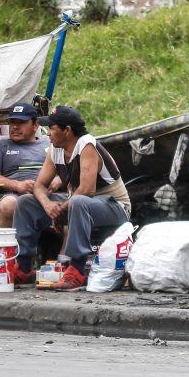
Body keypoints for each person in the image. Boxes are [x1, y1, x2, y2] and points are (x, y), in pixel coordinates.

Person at [13, 105, 131, 290]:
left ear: (67, 130)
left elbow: (87, 190)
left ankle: (77, 270)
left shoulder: (87, 145)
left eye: (52, 128)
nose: (48, 133)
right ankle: (23, 266)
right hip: (79, 205)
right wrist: (48, 205)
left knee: (78, 201)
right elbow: (39, 186)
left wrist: (61, 207)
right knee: (25, 202)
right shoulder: (55, 149)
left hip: (115, 208)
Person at [0, 103, 51, 227]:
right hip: (15, 195)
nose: (15, 127)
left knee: (74, 203)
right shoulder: (0, 146)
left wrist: (55, 182)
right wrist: (18, 185)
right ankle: (9, 246)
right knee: (8, 205)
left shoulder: (49, 145)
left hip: (49, 193)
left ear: (35, 125)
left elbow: (67, 171)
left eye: (21, 122)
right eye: (12, 122)